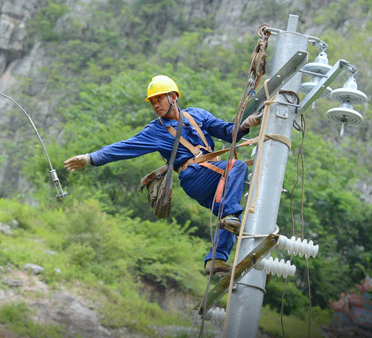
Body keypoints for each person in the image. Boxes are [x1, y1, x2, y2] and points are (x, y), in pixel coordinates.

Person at [64, 75, 261, 274]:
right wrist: (90, 158)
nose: (155, 105)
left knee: (231, 213)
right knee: (237, 168)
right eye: (153, 102)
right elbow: (124, 147)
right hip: (193, 176)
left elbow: (229, 132)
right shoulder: (155, 130)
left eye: (159, 99)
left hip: (212, 175)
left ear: (173, 97)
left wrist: (246, 124)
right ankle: (228, 218)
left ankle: (216, 258)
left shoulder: (197, 115)